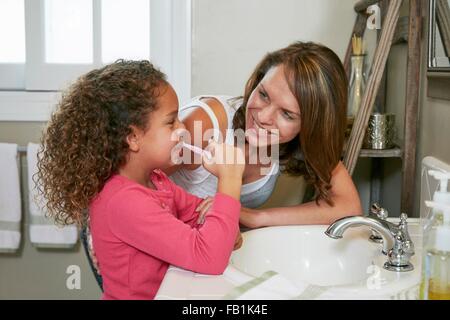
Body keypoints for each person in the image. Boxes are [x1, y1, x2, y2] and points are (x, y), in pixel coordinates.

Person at [36, 60, 245, 300]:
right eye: (171, 122)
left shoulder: (155, 180)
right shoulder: (123, 202)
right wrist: (230, 179)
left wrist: (221, 226)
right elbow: (210, 258)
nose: (182, 129)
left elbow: (200, 217)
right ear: (133, 137)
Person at [166, 41, 363, 228]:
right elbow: (137, 189)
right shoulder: (205, 124)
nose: (263, 116)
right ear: (258, 81)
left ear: (310, 127)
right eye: (263, 95)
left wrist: (255, 217)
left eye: (287, 114)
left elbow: (348, 206)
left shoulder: (291, 142)